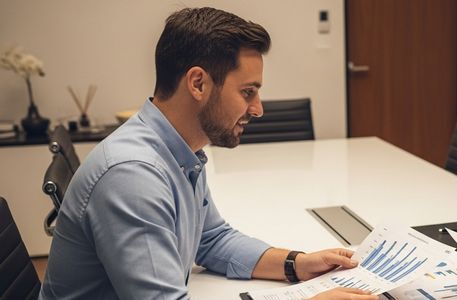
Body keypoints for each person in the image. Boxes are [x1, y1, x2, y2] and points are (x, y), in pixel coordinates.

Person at [39, 7, 377, 300]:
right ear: (198, 83)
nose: (258, 109)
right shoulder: (133, 176)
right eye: (247, 92)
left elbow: (212, 239)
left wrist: (296, 264)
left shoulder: (178, 151)